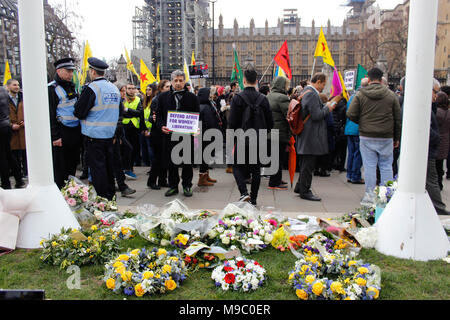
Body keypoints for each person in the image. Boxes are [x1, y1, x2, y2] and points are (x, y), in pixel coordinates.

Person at [347, 67, 402, 206]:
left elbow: (351, 113)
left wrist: (363, 122)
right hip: (386, 135)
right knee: (386, 166)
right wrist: (396, 137)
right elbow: (397, 118)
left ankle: (370, 196)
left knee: (369, 166)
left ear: (369, 79)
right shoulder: (391, 95)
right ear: (381, 78)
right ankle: (387, 196)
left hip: (367, 135)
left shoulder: (361, 94)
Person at [73, 57, 120, 200]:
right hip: (109, 134)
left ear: (92, 72)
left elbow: (79, 112)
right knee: (108, 168)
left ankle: (101, 199)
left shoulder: (92, 88)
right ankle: (111, 196)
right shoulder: (114, 88)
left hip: (94, 135)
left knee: (98, 169)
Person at [228, 65, 274, 206]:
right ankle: (253, 199)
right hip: (258, 139)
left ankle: (244, 193)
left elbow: (232, 122)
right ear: (256, 81)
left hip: (241, 138)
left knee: (236, 166)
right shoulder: (263, 98)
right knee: (256, 170)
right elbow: (270, 123)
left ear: (244, 80)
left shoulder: (237, 98)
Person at [294, 73, 340, 201]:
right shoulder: (312, 94)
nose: (323, 87)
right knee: (309, 164)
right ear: (318, 82)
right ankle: (305, 191)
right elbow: (316, 115)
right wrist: (328, 108)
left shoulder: (306, 91)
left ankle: (300, 186)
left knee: (305, 162)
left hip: (306, 133)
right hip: (310, 134)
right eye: (324, 84)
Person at [156, 70, 200, 197]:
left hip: (186, 135)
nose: (178, 83)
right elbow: (158, 115)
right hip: (169, 135)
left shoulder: (192, 97)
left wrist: (196, 127)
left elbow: (197, 115)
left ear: (184, 81)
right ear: (171, 81)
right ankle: (173, 186)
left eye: (181, 80)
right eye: (176, 80)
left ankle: (187, 186)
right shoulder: (163, 97)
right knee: (171, 162)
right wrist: (161, 126)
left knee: (187, 162)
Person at [48, 57, 82, 189]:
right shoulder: (52, 89)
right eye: (68, 71)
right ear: (59, 71)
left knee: (72, 163)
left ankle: (70, 191)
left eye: (72, 71)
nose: (71, 74)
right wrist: (55, 136)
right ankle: (60, 190)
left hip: (74, 131)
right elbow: (50, 114)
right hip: (61, 131)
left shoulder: (72, 87)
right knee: (60, 165)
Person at [426, 79, 448, 215]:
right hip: (429, 149)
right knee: (432, 179)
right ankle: (438, 207)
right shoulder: (426, 107)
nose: (436, 95)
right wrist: (436, 138)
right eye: (435, 91)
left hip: (430, 148)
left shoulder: (431, 107)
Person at [112, 83, 136, 197]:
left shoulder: (120, 102)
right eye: (122, 91)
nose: (124, 93)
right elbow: (115, 120)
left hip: (118, 134)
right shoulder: (116, 102)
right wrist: (116, 136)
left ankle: (121, 183)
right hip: (114, 135)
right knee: (115, 161)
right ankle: (121, 185)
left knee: (122, 155)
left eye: (124, 90)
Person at [267, 76, 290, 190]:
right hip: (279, 132)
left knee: (274, 157)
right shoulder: (282, 98)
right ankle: (274, 182)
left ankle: (276, 178)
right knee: (278, 157)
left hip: (269, 132)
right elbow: (289, 115)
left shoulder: (269, 96)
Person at [147, 79, 171, 189]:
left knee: (164, 158)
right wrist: (154, 118)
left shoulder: (169, 98)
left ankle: (162, 180)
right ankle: (151, 181)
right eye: (167, 87)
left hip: (165, 133)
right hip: (157, 134)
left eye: (170, 86)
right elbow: (152, 117)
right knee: (157, 159)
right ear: (161, 89)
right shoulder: (157, 100)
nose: (169, 89)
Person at [345, 78, 368, 185]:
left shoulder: (353, 96)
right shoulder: (363, 97)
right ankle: (355, 176)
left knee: (351, 153)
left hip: (349, 128)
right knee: (358, 154)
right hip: (358, 128)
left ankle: (349, 174)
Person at [0, 86, 24, 189]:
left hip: (1, 126)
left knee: (2, 157)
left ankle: (6, 183)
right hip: (6, 126)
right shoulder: (4, 91)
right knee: (9, 154)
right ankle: (19, 179)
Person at [197, 87, 222, 187]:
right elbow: (209, 122)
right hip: (207, 135)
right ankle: (202, 179)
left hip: (205, 135)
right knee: (205, 157)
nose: (211, 96)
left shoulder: (205, 105)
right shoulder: (205, 107)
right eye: (209, 94)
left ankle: (206, 175)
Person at [122, 83, 143, 179]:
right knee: (126, 149)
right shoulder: (122, 100)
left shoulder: (138, 99)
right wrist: (130, 113)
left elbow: (139, 113)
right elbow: (122, 112)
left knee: (134, 148)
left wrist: (128, 110)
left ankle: (131, 167)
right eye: (129, 88)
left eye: (133, 88)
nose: (131, 90)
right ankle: (126, 168)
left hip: (134, 127)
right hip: (124, 126)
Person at [7, 79, 27, 178]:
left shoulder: (24, 98)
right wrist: (10, 125)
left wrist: (26, 121)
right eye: (14, 85)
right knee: (14, 155)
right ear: (8, 87)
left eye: (18, 85)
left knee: (25, 154)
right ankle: (17, 174)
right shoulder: (4, 99)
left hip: (23, 131)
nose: (17, 87)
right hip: (12, 132)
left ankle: (26, 173)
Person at [435, 91, 450, 190]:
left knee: (435, 164)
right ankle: (440, 182)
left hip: (437, 139)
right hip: (446, 139)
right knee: (440, 163)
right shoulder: (448, 112)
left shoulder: (437, 112)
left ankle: (437, 183)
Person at [141, 83, 157, 168]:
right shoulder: (145, 102)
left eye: (149, 89)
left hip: (152, 131)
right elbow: (143, 117)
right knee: (147, 151)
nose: (147, 91)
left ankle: (153, 168)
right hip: (146, 130)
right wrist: (144, 129)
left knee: (152, 151)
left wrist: (150, 131)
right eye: (146, 89)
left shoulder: (154, 102)